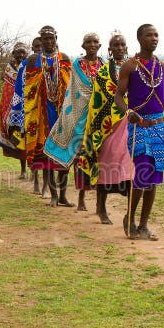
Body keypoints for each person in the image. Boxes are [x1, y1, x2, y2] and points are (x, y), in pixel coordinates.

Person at [114, 24, 164, 240]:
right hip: (138, 126)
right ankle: (129, 218)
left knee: (154, 176)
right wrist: (128, 111)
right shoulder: (130, 66)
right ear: (139, 39)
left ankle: (143, 225)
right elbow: (118, 96)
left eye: (156, 35)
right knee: (142, 172)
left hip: (158, 127)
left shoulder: (163, 67)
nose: (154, 38)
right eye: (149, 35)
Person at [9, 26, 72, 206]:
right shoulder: (32, 61)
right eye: (45, 38)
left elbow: (70, 87)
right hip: (41, 113)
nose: (49, 41)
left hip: (62, 113)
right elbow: (24, 87)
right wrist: (21, 113)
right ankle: (53, 195)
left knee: (64, 154)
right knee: (46, 156)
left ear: (56, 38)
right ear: (41, 40)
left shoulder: (64, 59)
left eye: (51, 38)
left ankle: (63, 195)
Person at [44, 33, 104, 211]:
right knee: (60, 155)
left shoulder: (104, 65)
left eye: (95, 42)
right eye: (88, 42)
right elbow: (78, 89)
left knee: (86, 158)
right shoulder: (78, 64)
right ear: (83, 46)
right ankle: (56, 195)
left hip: (94, 118)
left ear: (99, 46)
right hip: (73, 115)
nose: (92, 45)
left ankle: (81, 198)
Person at [79, 33, 132, 224]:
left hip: (131, 125)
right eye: (116, 45)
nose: (119, 48)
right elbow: (97, 103)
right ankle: (101, 208)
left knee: (131, 168)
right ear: (110, 50)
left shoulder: (134, 69)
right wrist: (96, 131)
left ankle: (130, 213)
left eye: (122, 45)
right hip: (107, 128)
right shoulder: (103, 73)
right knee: (105, 166)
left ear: (127, 48)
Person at [0, 42, 29, 178]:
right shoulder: (9, 69)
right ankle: (23, 170)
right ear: (13, 54)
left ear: (26, 54)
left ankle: (34, 170)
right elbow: (7, 92)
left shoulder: (30, 66)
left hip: (29, 109)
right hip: (14, 112)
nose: (20, 55)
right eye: (18, 52)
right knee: (18, 139)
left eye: (23, 52)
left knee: (31, 140)